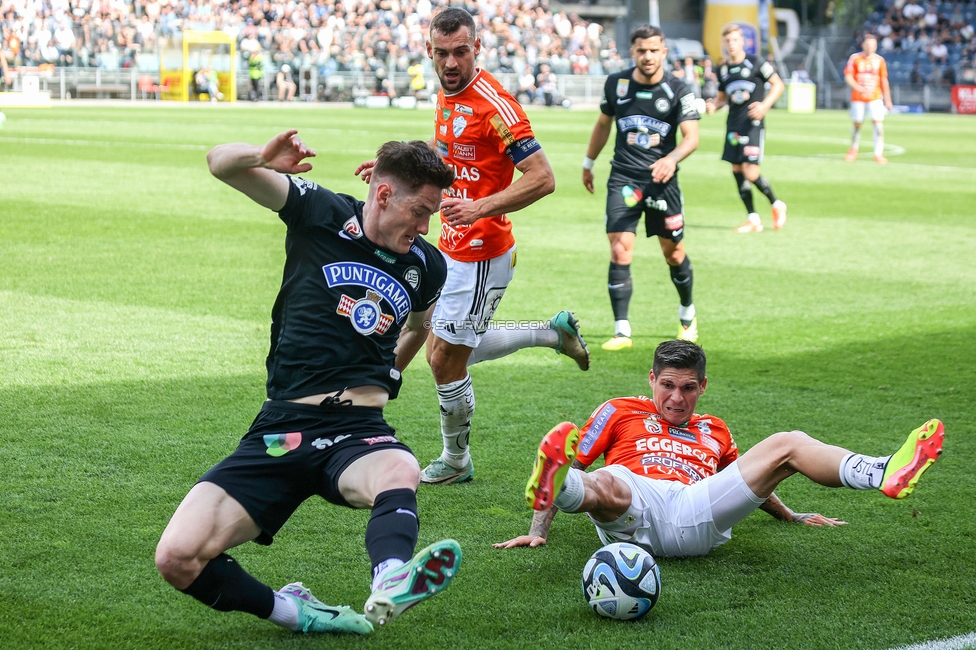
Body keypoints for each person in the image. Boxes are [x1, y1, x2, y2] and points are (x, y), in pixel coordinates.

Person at [154, 132, 462, 635]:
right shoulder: (318, 211)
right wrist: (261, 159)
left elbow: (419, 326)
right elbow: (218, 163)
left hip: (358, 430)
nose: (426, 226)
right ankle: (297, 612)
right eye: (420, 211)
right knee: (176, 556)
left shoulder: (427, 264)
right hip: (283, 427)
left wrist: (388, 372)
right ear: (384, 195)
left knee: (400, 468)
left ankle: (390, 580)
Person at [355, 8, 588, 487]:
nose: (451, 62)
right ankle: (552, 333)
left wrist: (480, 209)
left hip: (483, 250)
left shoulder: (496, 105)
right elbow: (445, 152)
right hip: (450, 243)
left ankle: (456, 460)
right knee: (453, 345)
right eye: (442, 53)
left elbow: (543, 178)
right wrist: (391, 167)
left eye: (461, 51)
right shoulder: (447, 93)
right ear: (429, 52)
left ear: (477, 48)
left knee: (443, 356)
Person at [495, 339, 945, 559]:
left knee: (785, 444)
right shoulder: (618, 410)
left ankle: (882, 471)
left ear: (703, 386)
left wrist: (789, 515)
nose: (676, 398)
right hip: (629, 510)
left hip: (696, 513)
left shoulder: (716, 430)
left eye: (688, 388)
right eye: (667, 385)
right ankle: (564, 489)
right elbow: (573, 458)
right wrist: (540, 529)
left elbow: (749, 484)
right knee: (604, 483)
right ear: (651, 379)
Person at [581, 25, 701, 350]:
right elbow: (603, 125)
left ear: (664, 52)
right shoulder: (616, 84)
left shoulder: (679, 88)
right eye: (641, 50)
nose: (647, 56)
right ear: (632, 52)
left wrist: (671, 159)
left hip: (663, 182)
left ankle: (687, 315)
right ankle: (622, 332)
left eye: (653, 50)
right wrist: (589, 163)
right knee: (620, 248)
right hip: (623, 178)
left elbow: (691, 137)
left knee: (673, 252)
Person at [706, 24, 788, 234]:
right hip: (733, 126)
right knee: (736, 170)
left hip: (753, 126)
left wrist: (764, 105)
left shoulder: (756, 62)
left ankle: (776, 204)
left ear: (742, 41)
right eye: (728, 41)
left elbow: (778, 85)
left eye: (735, 40)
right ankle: (753, 218)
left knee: (751, 172)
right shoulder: (723, 69)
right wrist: (712, 105)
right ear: (724, 43)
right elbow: (722, 99)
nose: (732, 44)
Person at [844, 34, 893, 164]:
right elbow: (848, 76)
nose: (870, 47)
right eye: (868, 44)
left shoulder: (880, 60)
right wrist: (857, 87)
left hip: (875, 97)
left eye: (873, 44)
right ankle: (853, 149)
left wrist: (888, 99)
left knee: (878, 124)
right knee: (857, 123)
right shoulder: (855, 58)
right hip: (858, 98)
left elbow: (884, 80)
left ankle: (878, 153)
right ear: (863, 45)